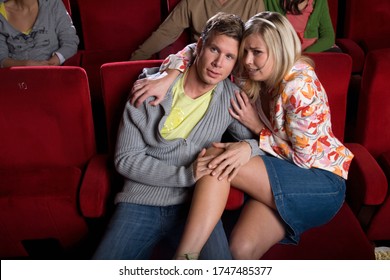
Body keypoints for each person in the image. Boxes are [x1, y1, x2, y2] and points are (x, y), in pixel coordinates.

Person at [130, 11, 354, 260]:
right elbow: (199, 47)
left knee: (217, 157)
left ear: (278, 51)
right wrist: (169, 75)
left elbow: (302, 160)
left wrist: (257, 131)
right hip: (280, 173)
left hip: (319, 181)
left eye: (257, 52)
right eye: (245, 51)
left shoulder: (299, 86)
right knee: (239, 252)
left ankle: (184, 259)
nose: (247, 60)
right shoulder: (251, 72)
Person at [93, 12, 264, 260]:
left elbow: (263, 142)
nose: (219, 63)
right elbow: (125, 159)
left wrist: (248, 146)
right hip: (141, 201)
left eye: (229, 57)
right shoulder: (150, 86)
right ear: (200, 46)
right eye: (215, 49)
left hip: (196, 207)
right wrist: (186, 174)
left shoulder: (230, 97)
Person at [130, 0, 265, 61]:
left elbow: (261, 41)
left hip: (236, 65)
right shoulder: (193, 2)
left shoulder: (254, 2)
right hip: (200, 61)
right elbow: (165, 32)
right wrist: (135, 59)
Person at [0, 0, 79, 67]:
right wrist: (26, 64)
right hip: (16, 80)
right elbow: (1, 59)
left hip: (53, 76)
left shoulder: (53, 4)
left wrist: (55, 60)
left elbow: (70, 42)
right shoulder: (1, 12)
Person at [265, 0, 339, 52]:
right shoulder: (271, 2)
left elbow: (328, 36)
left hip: (313, 50)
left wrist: (306, 55)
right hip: (284, 52)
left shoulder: (319, 1)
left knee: (338, 58)